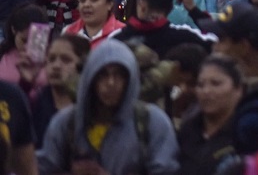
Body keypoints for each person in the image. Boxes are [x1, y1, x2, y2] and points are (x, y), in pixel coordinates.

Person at [37, 39, 180, 175]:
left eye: (119, 75)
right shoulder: (66, 123)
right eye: (103, 75)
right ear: (91, 78)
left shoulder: (152, 122)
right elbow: (41, 169)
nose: (111, 83)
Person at [176, 55, 244, 175]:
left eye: (216, 84)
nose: (206, 91)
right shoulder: (187, 131)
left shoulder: (246, 134)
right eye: (200, 85)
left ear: (238, 89)